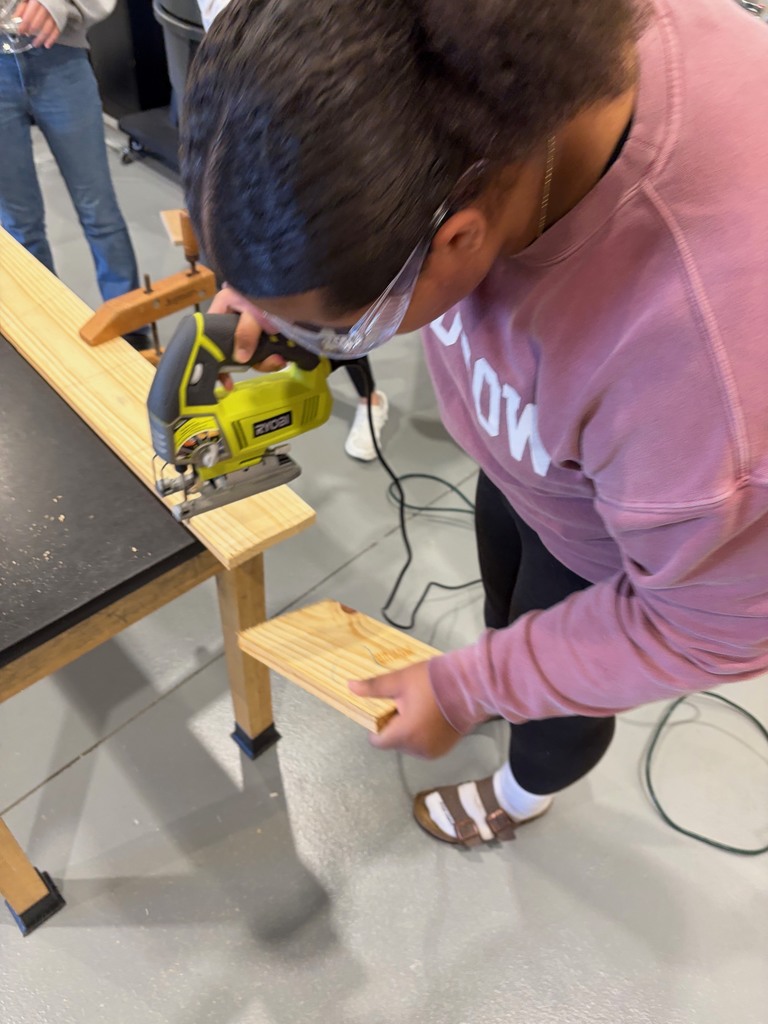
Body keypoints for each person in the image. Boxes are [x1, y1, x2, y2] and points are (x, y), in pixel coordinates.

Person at [180, 0, 768, 847]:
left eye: (335, 328)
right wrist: (272, 287)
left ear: (458, 236)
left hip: (612, 552)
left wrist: (472, 689)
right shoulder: (473, 74)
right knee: (510, 613)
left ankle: (519, 796)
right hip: (530, 467)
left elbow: (704, 626)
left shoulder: (707, 359)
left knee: (554, 694)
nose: (304, 339)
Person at [195, 0, 388, 461]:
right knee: (282, 300)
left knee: (333, 300)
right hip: (240, 114)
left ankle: (369, 398)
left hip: (317, 120)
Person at [0, 0, 148, 347]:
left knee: (99, 209)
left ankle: (130, 327)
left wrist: (56, 4)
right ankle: (45, 335)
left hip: (58, 55)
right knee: (19, 225)